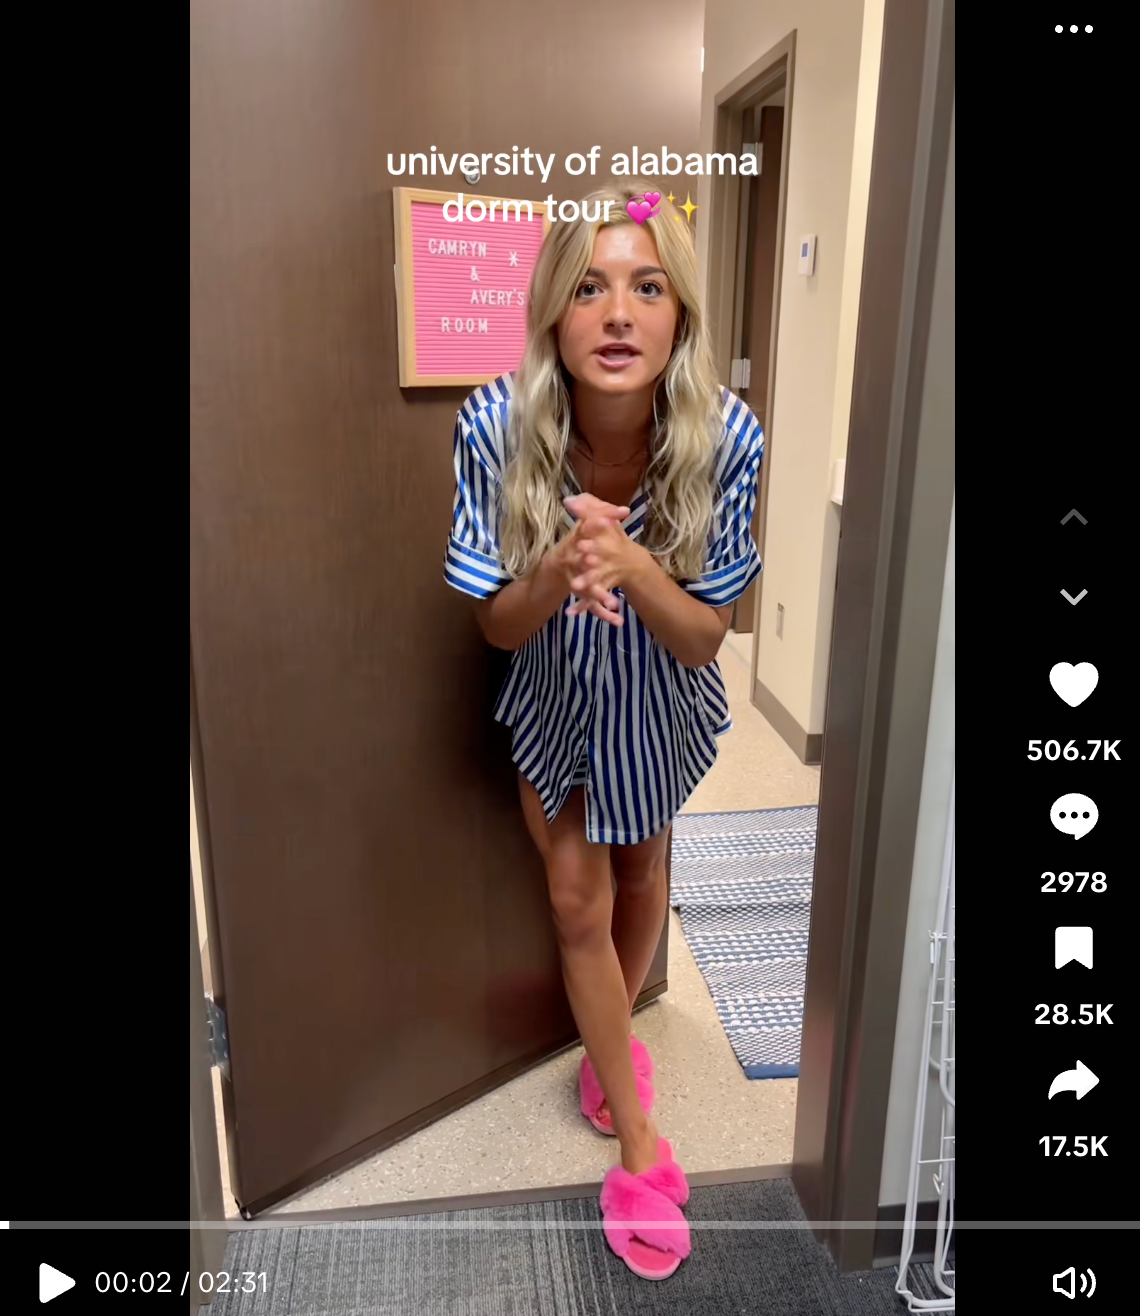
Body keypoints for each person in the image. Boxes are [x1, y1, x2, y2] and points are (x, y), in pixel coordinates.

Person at [443, 179, 764, 1280]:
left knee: (640, 877)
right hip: (554, 696)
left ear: (680, 315)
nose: (618, 312)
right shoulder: (495, 424)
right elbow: (496, 624)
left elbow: (703, 637)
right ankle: (636, 1142)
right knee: (578, 898)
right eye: (588, 288)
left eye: (647, 287)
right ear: (552, 310)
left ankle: (608, 1048)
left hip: (659, 701)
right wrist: (560, 570)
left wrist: (630, 565)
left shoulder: (726, 436)